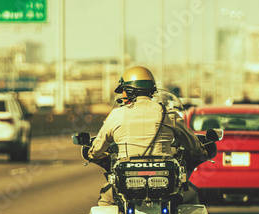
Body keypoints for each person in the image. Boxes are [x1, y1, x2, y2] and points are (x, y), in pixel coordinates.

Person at [88, 66, 207, 206]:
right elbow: (192, 143)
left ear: (131, 90)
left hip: (127, 184)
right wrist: (201, 150)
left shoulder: (117, 115)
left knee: (106, 199)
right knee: (191, 195)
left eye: (124, 91)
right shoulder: (168, 113)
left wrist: (92, 154)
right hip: (166, 184)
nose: (122, 95)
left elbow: (98, 147)